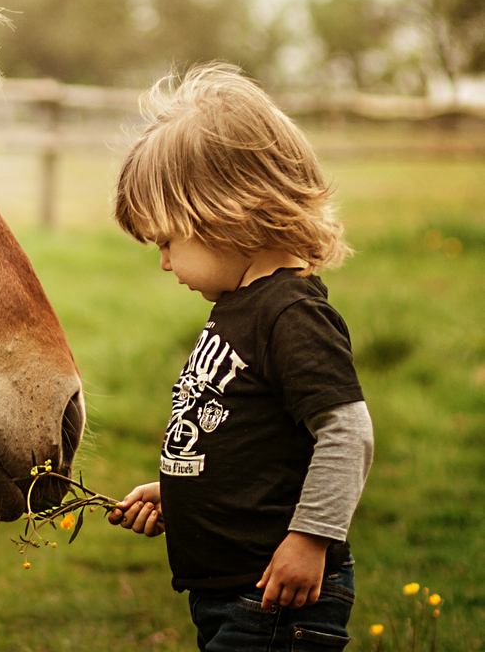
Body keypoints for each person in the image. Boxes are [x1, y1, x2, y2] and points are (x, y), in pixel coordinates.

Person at [106, 63, 375, 651]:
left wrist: (310, 539)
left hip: (276, 594)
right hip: (236, 591)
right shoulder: (242, 307)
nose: (165, 263)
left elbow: (346, 432)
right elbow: (249, 435)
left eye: (167, 241)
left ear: (224, 214)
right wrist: (179, 491)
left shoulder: (290, 313)